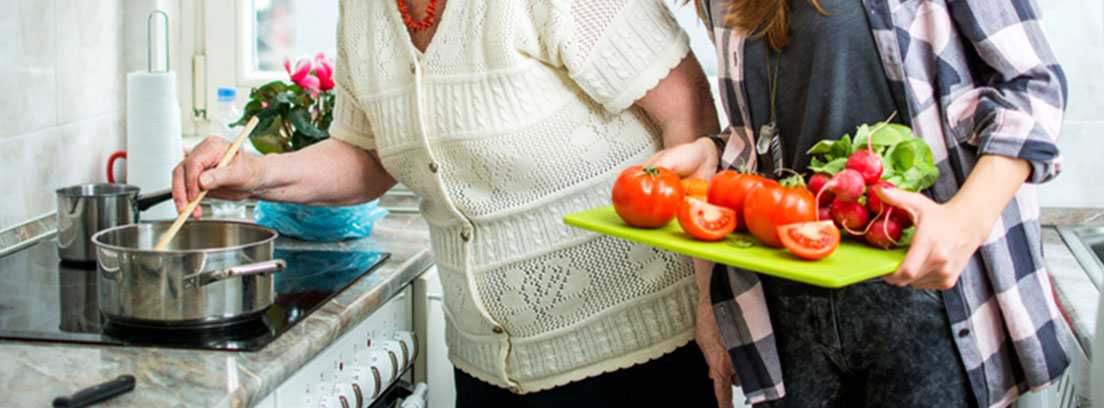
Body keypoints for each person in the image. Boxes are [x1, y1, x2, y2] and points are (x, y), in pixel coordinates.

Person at [173, 0, 725, 406]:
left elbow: (690, 112)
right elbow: (369, 155)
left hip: (633, 348)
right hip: (483, 363)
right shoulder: (363, 14)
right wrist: (256, 173)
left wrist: (711, 302)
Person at [647, 0, 1071, 406]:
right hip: (786, 299)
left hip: (920, 290)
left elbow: (1032, 87)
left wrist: (965, 221)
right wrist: (715, 149)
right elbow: (789, 124)